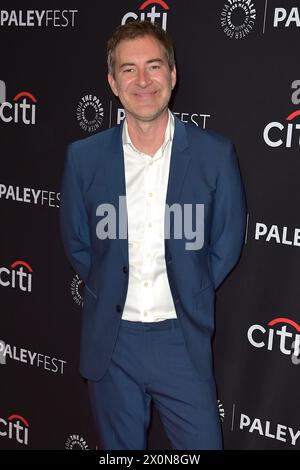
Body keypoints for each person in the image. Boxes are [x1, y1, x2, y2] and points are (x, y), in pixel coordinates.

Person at [59, 20, 246, 450]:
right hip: (112, 343)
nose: (142, 81)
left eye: (154, 66)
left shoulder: (214, 155)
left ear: (173, 74)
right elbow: (77, 242)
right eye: (128, 69)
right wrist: (110, 288)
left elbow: (227, 242)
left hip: (181, 341)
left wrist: (189, 288)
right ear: (112, 81)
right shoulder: (83, 159)